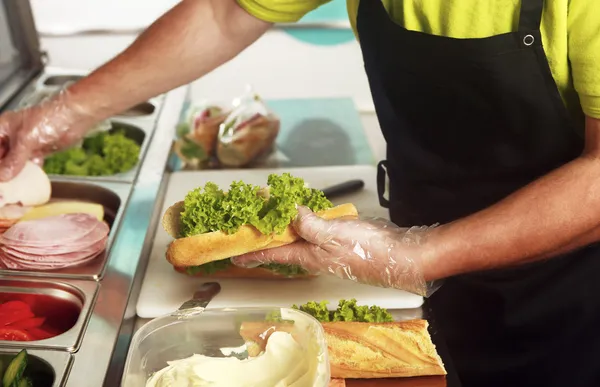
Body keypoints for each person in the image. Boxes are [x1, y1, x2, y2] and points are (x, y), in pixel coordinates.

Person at [0, 0, 599, 385]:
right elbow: (225, 13)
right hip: (424, 260)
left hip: (569, 294)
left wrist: (419, 254)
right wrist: (63, 113)